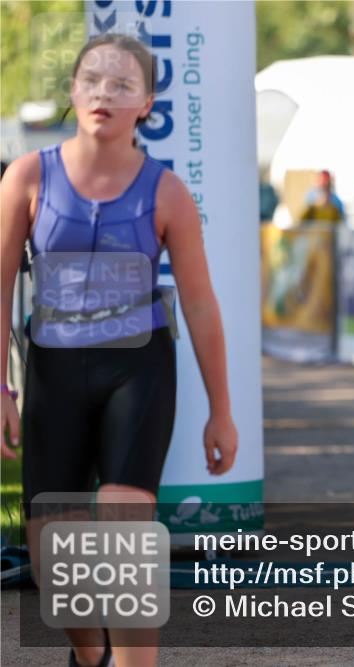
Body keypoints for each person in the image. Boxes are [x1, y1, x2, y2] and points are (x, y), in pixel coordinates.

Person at [0, 33, 238, 667]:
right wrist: (1, 387)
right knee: (55, 556)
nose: (106, 92)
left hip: (138, 365)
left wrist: (222, 409)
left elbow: (202, 306)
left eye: (123, 84)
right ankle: (92, 656)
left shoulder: (166, 194)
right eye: (93, 80)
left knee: (126, 530)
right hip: (52, 367)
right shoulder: (27, 176)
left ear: (148, 103)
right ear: (74, 92)